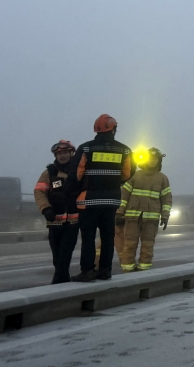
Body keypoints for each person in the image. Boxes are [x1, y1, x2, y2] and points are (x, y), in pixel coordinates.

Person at [66, 114, 134, 282]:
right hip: (111, 201)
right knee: (107, 237)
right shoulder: (124, 150)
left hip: (88, 201)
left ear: (96, 129)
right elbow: (128, 173)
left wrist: (72, 193)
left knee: (88, 238)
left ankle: (88, 271)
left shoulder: (86, 149)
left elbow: (76, 175)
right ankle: (105, 270)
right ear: (113, 129)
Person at [34, 140, 81, 284]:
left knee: (64, 255)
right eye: (59, 153)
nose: (62, 156)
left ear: (71, 153)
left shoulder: (79, 171)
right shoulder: (49, 173)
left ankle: (58, 283)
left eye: (65, 152)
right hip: (55, 222)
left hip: (73, 222)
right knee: (57, 257)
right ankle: (64, 282)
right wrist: (45, 208)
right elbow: (39, 191)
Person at [117, 147, 172, 271]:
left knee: (148, 245)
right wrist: (120, 212)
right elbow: (124, 195)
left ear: (159, 161)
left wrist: (165, 216)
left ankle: (144, 269)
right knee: (130, 244)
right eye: (151, 158)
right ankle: (127, 269)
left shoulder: (162, 178)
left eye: (155, 159)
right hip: (132, 218)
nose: (153, 161)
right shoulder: (135, 175)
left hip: (151, 220)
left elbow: (166, 199)